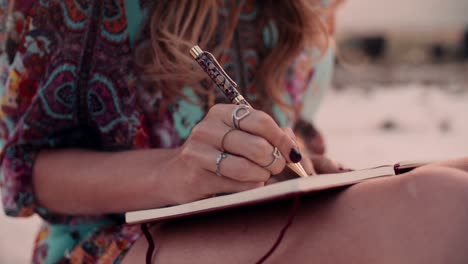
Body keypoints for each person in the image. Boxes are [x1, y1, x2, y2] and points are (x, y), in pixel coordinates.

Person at [0, 1, 467, 263]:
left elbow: (294, 128)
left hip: (267, 219)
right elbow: (25, 171)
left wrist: (297, 161)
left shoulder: (313, 8)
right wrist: (173, 173)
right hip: (109, 242)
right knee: (442, 207)